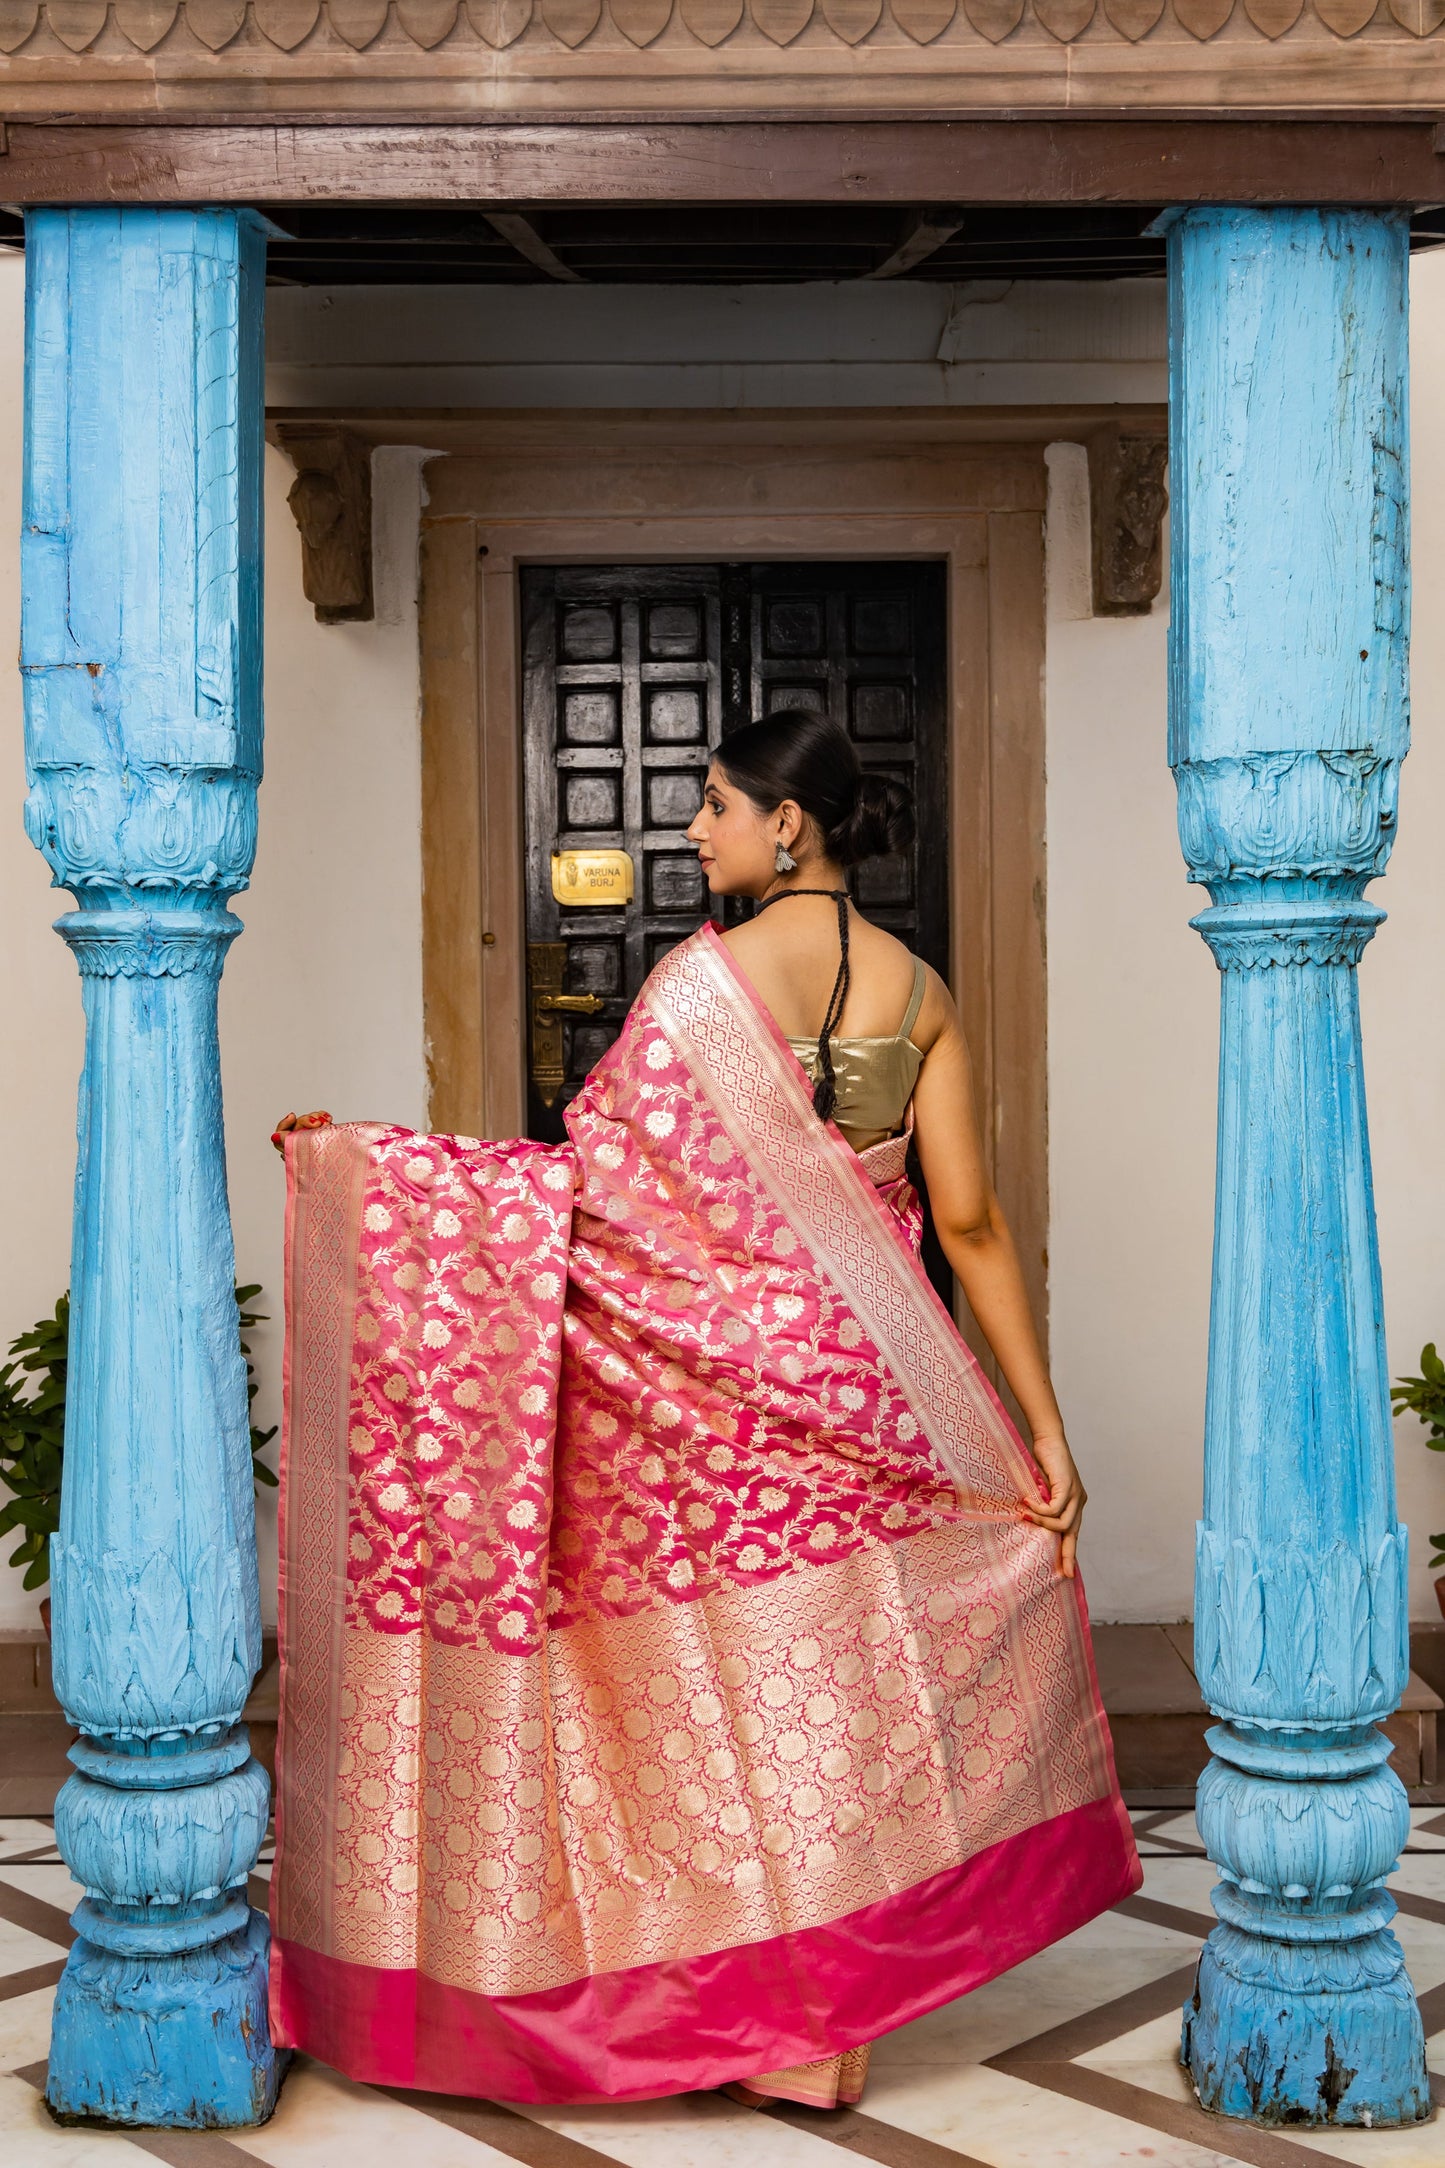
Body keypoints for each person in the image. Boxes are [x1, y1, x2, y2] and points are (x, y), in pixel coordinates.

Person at [269, 709, 1137, 2112]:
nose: (694, 829)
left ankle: (753, 2012)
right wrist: (1041, 1433)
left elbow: (590, 1195)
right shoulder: (913, 992)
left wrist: (374, 1173)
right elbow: (967, 1225)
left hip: (707, 1403)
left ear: (784, 824)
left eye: (715, 805)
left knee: (715, 1701)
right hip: (862, 1384)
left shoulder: (703, 987)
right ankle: (826, 2020)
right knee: (842, 1690)